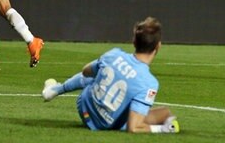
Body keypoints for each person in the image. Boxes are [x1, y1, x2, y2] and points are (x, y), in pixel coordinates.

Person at [41, 17, 180, 134]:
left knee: (97, 73)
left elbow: (85, 71)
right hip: (106, 124)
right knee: (154, 113)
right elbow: (134, 128)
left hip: (84, 107)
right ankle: (166, 126)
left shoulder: (113, 55)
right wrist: (161, 129)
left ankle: (55, 90)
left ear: (134, 42)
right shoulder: (149, 83)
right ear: (158, 46)